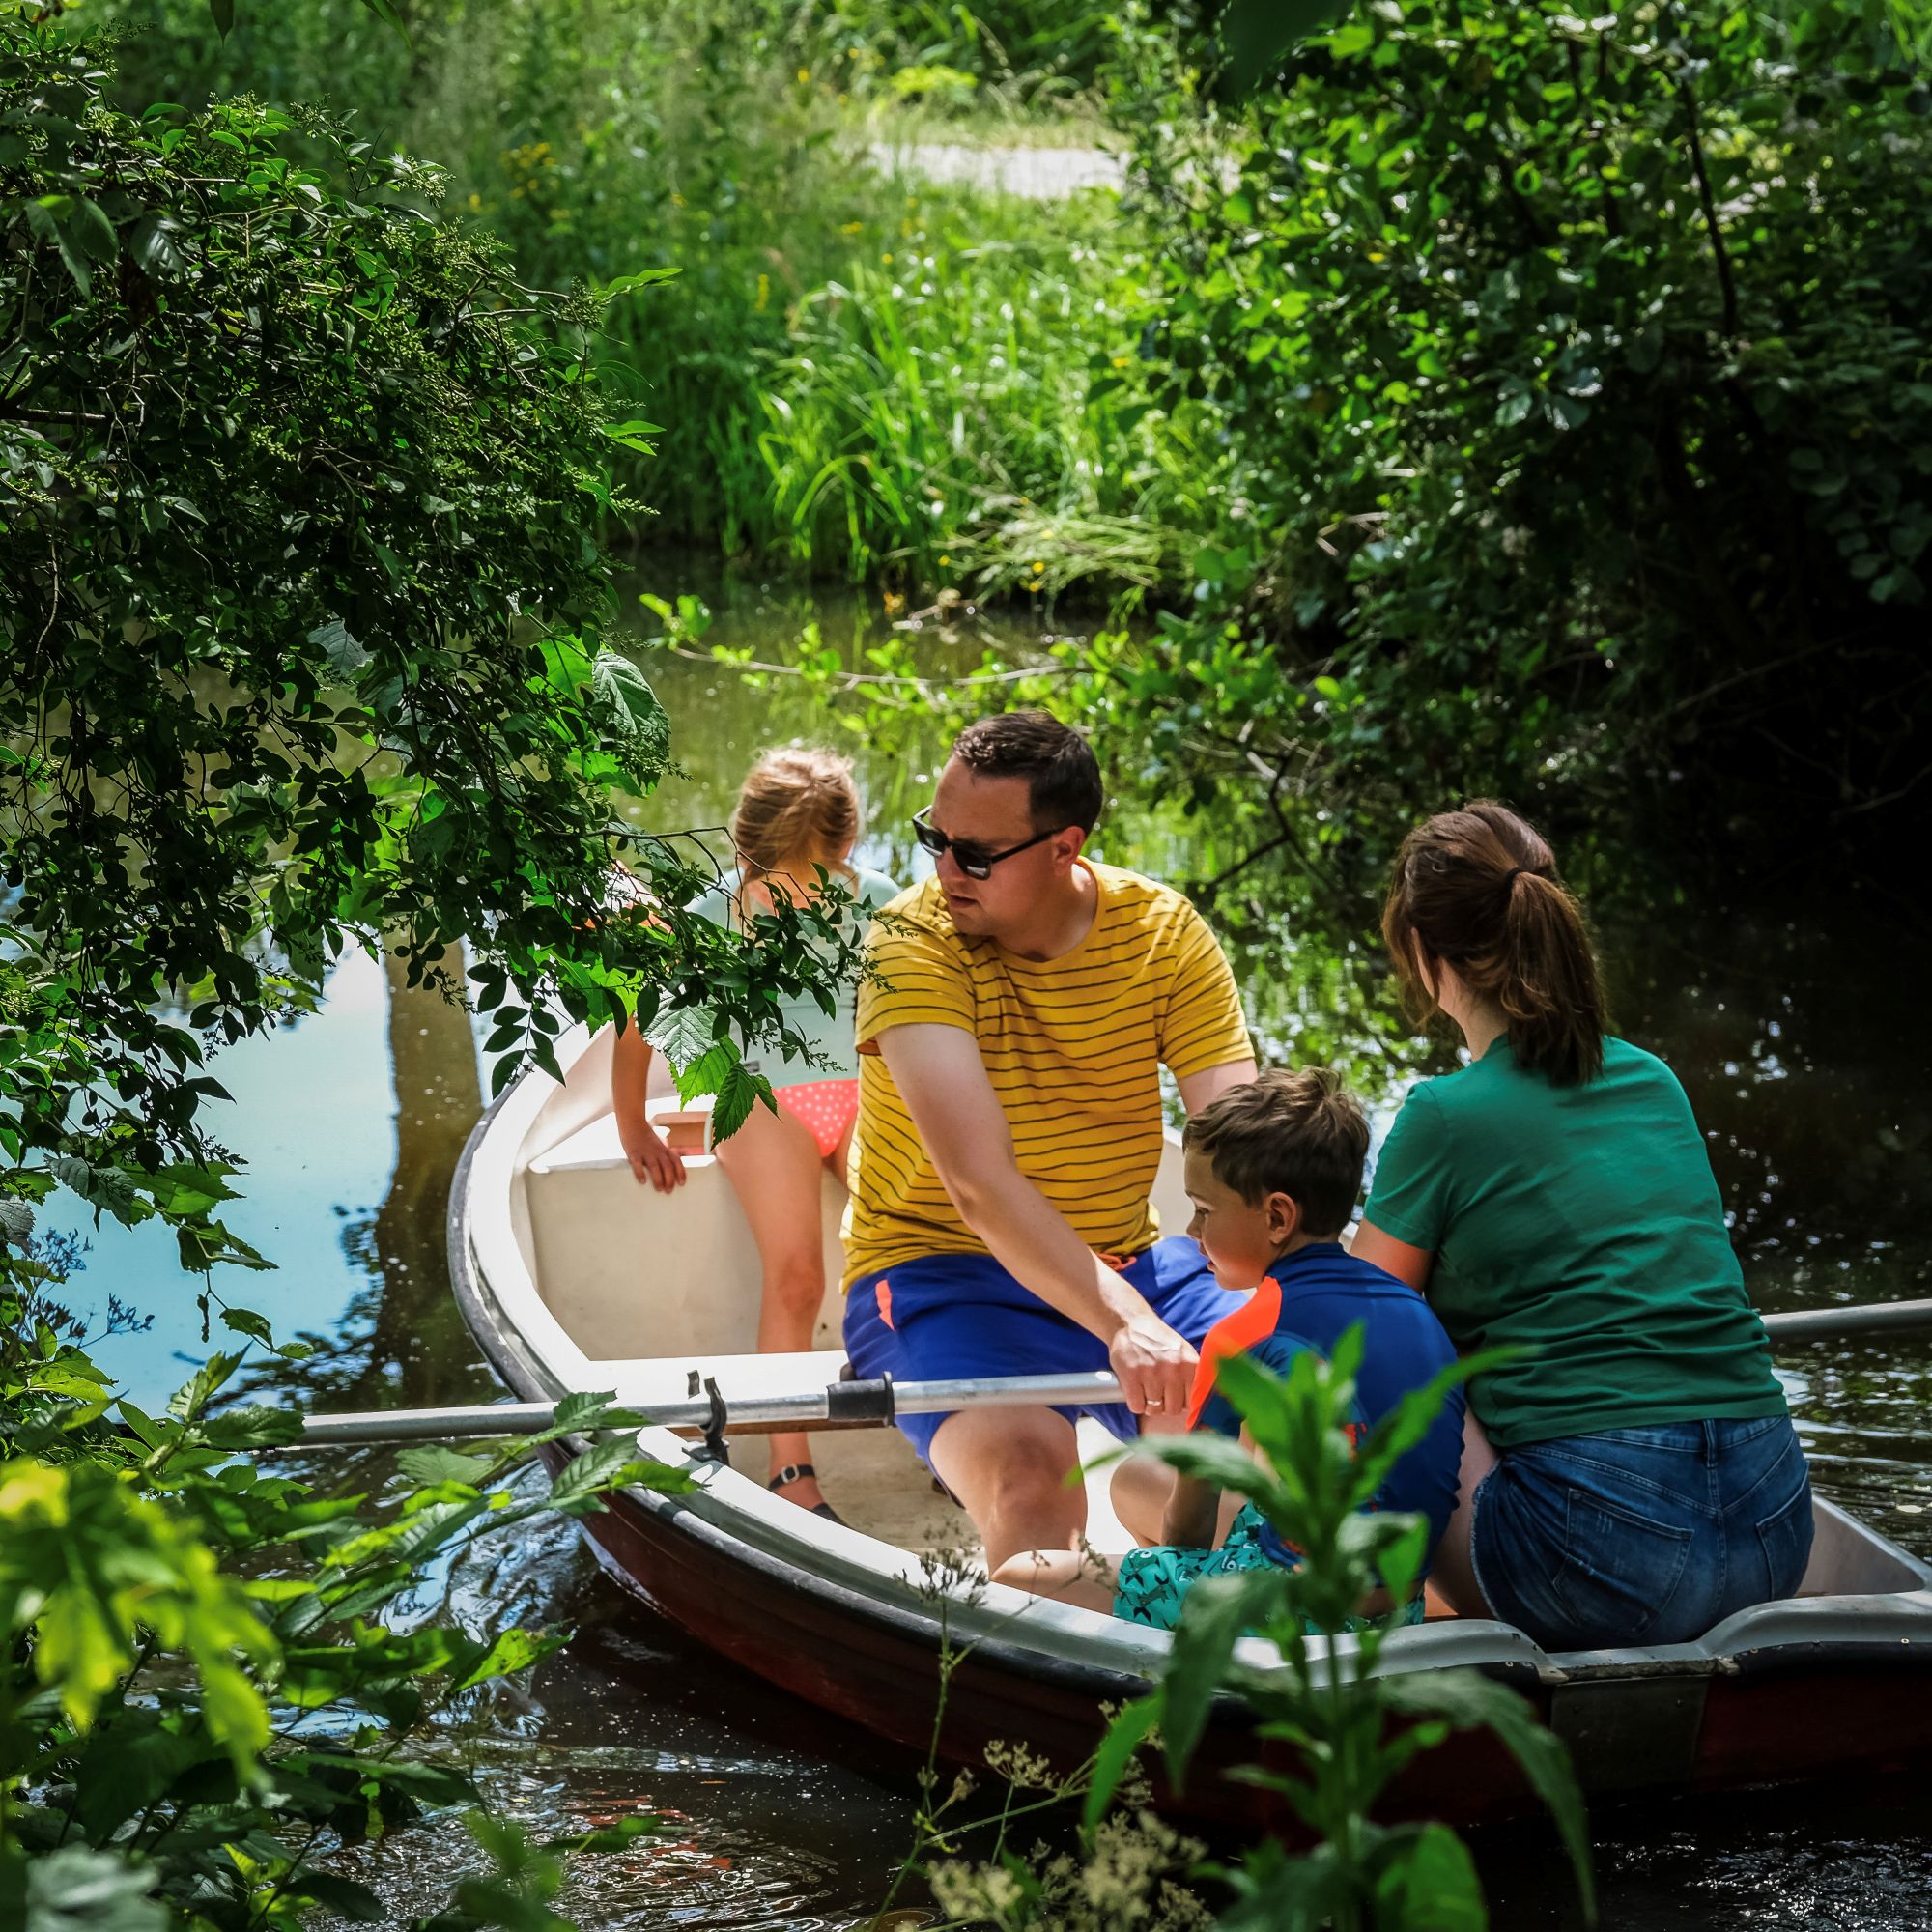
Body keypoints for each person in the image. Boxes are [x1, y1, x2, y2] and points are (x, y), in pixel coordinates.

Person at [1350, 800, 1812, 1651]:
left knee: (1403, 1356)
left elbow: (1356, 1333)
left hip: (1596, 1568)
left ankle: (1387, 1610)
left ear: (1424, 952)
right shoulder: (1655, 1078)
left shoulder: (1442, 1116)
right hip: (1774, 1534)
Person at [840, 712, 1259, 1572]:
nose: (946, 870)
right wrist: (1130, 1325)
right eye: (935, 839)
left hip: (1129, 1262)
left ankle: (1153, 1504)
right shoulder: (910, 940)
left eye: (977, 854)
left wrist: (1280, 1283)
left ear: (1066, 847)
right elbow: (978, 1185)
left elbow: (1245, 1151)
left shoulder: (1164, 934)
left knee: (1299, 1426)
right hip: (939, 1274)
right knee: (1033, 1486)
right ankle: (1081, 1670)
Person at [994, 1068, 1464, 1630]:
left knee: (1017, 1578)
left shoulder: (1246, 1332)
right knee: (1136, 1479)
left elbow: (1189, 1524)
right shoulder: (1415, 1312)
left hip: (1286, 1610)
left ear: (1277, 1217)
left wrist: (1168, 1583)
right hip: (1399, 1610)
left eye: (1204, 1209)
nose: (1191, 1230)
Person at [612, 747, 899, 1521]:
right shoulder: (711, 915)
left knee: (915, 1247)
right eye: (783, 882)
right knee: (799, 1276)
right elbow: (643, 1023)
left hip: (865, 1097)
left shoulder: (880, 902)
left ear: (846, 852)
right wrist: (632, 1121)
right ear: (746, 852)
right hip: (763, 1103)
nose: (802, 898)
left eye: (817, 880)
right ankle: (788, 1467)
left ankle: (947, 1421)